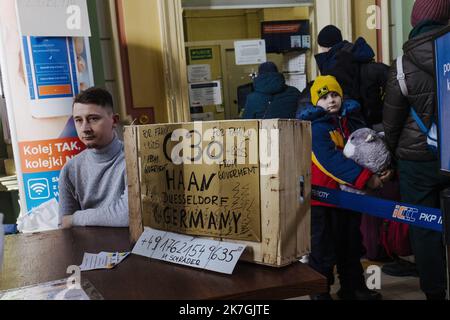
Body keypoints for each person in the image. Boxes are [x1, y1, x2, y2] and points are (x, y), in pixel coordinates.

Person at [297, 75, 389, 300]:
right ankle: (319, 293)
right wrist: (367, 179)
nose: (331, 101)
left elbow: (363, 152)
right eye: (324, 97)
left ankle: (353, 288)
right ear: (314, 102)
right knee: (323, 250)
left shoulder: (348, 121)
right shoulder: (316, 128)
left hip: (347, 198)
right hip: (324, 200)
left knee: (351, 245)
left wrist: (383, 168)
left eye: (334, 95)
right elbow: (329, 161)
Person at [382, 0, 450, 300]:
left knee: (424, 227)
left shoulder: (402, 64)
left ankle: (434, 292)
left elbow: (392, 121)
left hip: (417, 160)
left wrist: (394, 156)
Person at [58, 87, 129, 228]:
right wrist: (70, 220)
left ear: (114, 120)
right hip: (86, 248)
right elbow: (64, 225)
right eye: (78, 120)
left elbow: (127, 215)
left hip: (128, 246)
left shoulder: (133, 160)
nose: (85, 128)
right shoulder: (70, 169)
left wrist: (75, 218)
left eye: (93, 119)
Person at [314, 25, 389, 128]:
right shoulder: (359, 54)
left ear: (326, 46)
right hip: (378, 119)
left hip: (353, 123)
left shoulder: (334, 66)